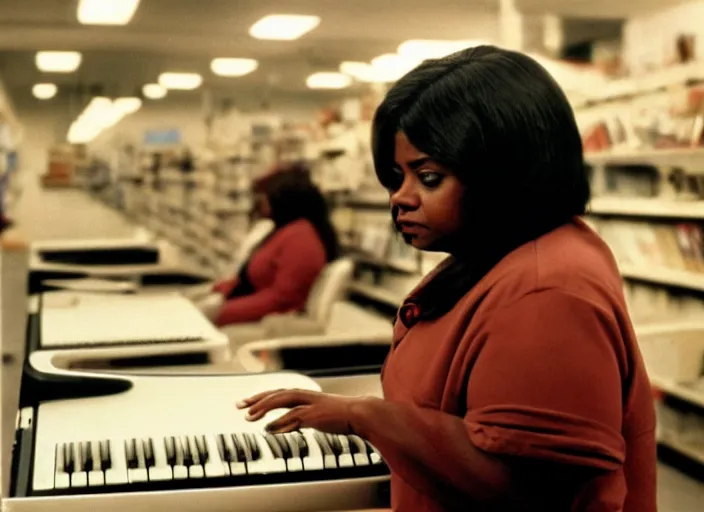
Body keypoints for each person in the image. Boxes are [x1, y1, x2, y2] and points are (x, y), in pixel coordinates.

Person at [236, 46, 656, 511]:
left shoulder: (544, 293)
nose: (400, 197)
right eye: (397, 177)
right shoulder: (498, 253)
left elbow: (525, 487)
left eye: (429, 177)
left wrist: (366, 416)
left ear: (504, 173)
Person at [206, 164, 339, 327]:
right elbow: (253, 280)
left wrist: (219, 312)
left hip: (257, 322)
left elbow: (281, 300)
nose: (260, 201)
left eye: (265, 195)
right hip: (242, 307)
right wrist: (218, 291)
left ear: (283, 198)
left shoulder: (301, 239)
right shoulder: (283, 229)